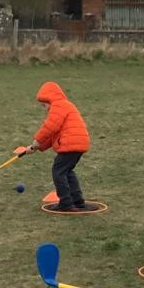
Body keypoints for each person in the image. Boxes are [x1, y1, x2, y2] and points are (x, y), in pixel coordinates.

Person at [26, 81, 94, 212]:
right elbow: (53, 135)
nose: (44, 108)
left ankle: (65, 203)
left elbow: (50, 127)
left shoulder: (59, 105)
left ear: (49, 99)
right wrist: (37, 147)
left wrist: (36, 141)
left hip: (71, 143)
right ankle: (77, 201)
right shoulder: (64, 106)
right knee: (67, 171)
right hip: (78, 143)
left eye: (44, 104)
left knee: (58, 171)